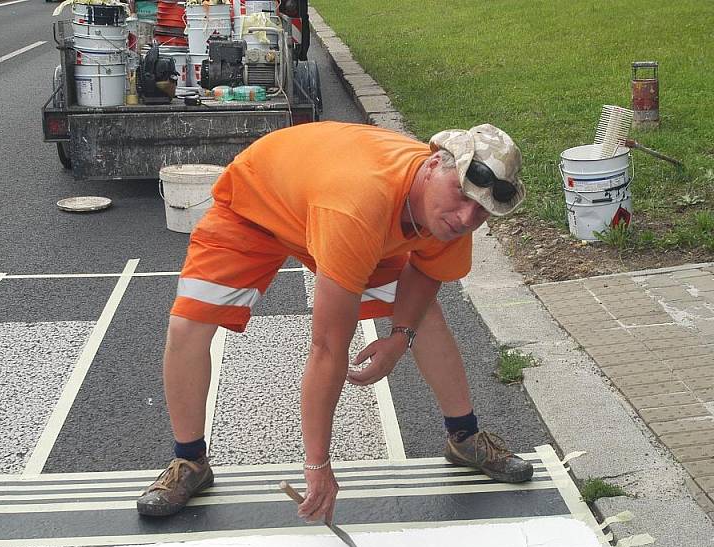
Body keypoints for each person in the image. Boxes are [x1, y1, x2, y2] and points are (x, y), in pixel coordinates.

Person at [137, 121, 533, 522]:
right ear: (433, 165)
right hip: (260, 205)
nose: (467, 217)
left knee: (424, 316)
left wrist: (399, 337)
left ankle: (463, 437)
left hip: (334, 203)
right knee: (188, 323)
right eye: (462, 197)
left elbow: (427, 272)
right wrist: (318, 468)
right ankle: (189, 463)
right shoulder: (361, 204)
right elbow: (328, 348)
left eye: (482, 210)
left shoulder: (451, 212)